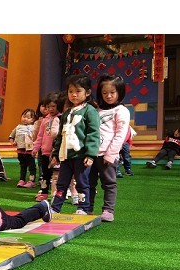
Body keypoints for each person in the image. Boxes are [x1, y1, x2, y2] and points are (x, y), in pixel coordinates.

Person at [50, 74, 100, 215]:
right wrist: (56, 153)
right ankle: (55, 208)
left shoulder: (90, 111)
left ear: (87, 92)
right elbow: (60, 135)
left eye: (78, 91)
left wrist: (90, 154)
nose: (74, 94)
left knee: (82, 182)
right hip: (66, 156)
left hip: (81, 155)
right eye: (71, 91)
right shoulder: (66, 113)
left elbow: (94, 133)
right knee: (62, 182)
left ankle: (83, 208)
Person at [88, 74, 130, 222]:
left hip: (107, 155)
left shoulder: (121, 111)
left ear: (120, 92)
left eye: (112, 92)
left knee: (109, 183)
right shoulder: (96, 110)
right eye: (104, 93)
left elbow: (120, 135)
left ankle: (108, 210)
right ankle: (87, 208)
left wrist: (110, 154)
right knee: (89, 183)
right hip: (91, 154)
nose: (108, 96)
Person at [32, 92, 60, 201]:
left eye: (53, 106)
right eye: (48, 107)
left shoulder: (61, 118)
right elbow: (40, 136)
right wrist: (35, 148)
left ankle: (58, 192)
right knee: (45, 174)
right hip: (45, 152)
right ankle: (44, 192)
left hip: (56, 152)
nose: (50, 109)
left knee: (57, 174)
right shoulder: (45, 120)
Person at [8, 108, 37, 188]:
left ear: (33, 120)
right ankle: (22, 179)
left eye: (28, 118)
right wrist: (12, 142)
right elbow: (11, 136)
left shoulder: (34, 127)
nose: (25, 119)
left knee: (31, 166)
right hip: (20, 150)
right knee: (23, 166)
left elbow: (38, 136)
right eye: (24, 116)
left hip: (30, 150)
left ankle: (32, 180)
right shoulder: (18, 127)